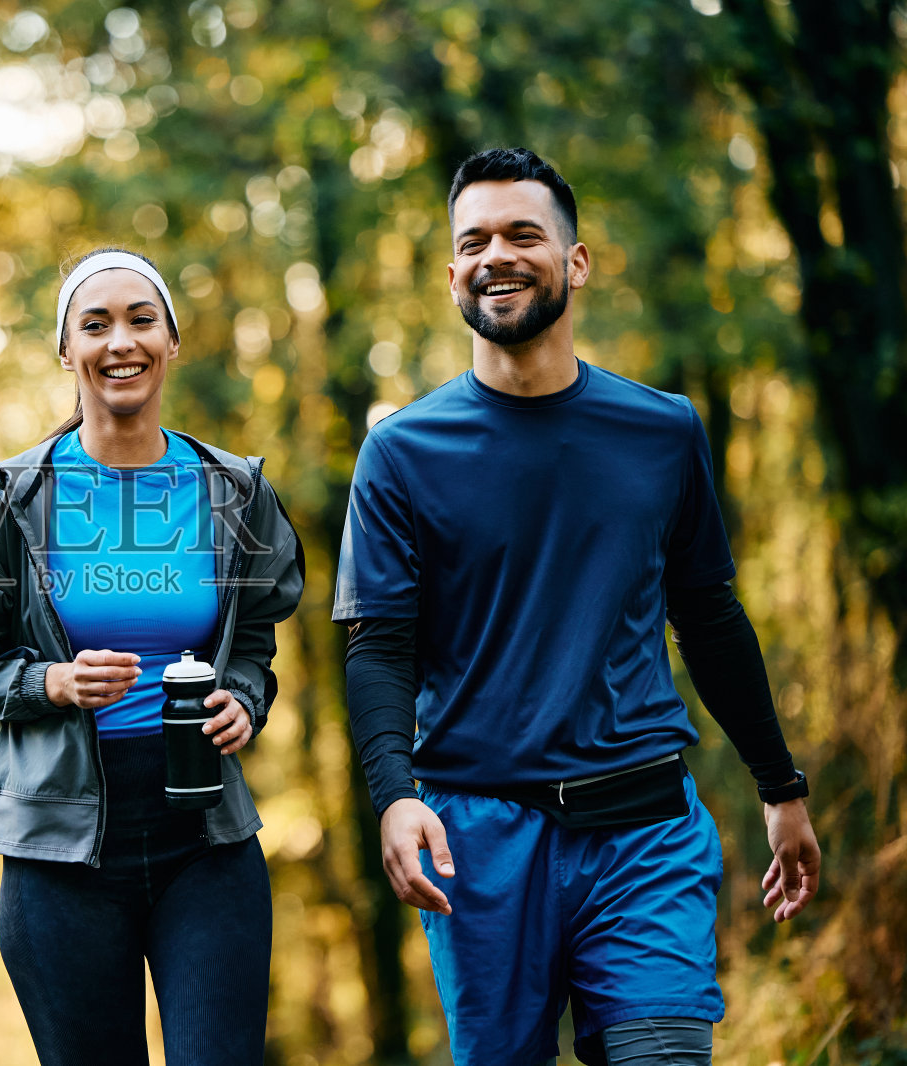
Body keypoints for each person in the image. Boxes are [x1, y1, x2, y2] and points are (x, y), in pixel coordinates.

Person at [334, 148, 821, 1066]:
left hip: (642, 825)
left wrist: (779, 785)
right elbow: (379, 648)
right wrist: (396, 796)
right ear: (451, 275)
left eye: (524, 234)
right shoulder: (400, 453)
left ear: (578, 260)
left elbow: (708, 615)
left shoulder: (662, 429)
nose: (496, 256)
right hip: (476, 840)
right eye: (473, 241)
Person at [0, 247, 303, 1066]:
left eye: (141, 319)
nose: (119, 342)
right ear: (66, 351)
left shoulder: (232, 489)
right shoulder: (7, 500)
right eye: (93, 325)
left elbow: (254, 638)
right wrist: (50, 682)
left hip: (205, 838)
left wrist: (244, 695)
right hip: (60, 853)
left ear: (173, 339)